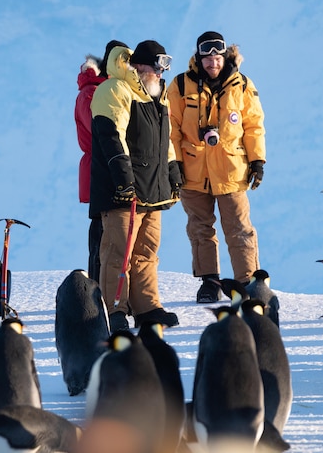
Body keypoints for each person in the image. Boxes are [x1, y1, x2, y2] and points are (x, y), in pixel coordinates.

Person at [165, 31, 266, 303]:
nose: (213, 63)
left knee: (239, 228)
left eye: (217, 57)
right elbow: (170, 128)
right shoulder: (180, 86)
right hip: (193, 171)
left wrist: (257, 160)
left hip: (231, 171)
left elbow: (253, 125)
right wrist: (173, 164)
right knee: (200, 228)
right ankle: (209, 281)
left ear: (225, 56)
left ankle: (247, 282)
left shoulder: (242, 85)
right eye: (207, 58)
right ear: (199, 58)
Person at [90, 40, 183, 331]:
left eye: (164, 66)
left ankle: (147, 307)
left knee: (146, 252)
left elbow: (163, 143)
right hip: (122, 191)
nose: (160, 72)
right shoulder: (114, 89)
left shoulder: (158, 96)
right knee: (118, 252)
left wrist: (173, 173)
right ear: (140, 66)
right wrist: (123, 178)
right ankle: (115, 310)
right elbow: (111, 137)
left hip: (151, 192)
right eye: (157, 65)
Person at [76, 40, 127, 281]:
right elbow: (99, 132)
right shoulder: (92, 92)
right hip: (100, 170)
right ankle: (96, 289)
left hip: (113, 168)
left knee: (114, 234)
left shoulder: (115, 90)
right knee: (101, 234)